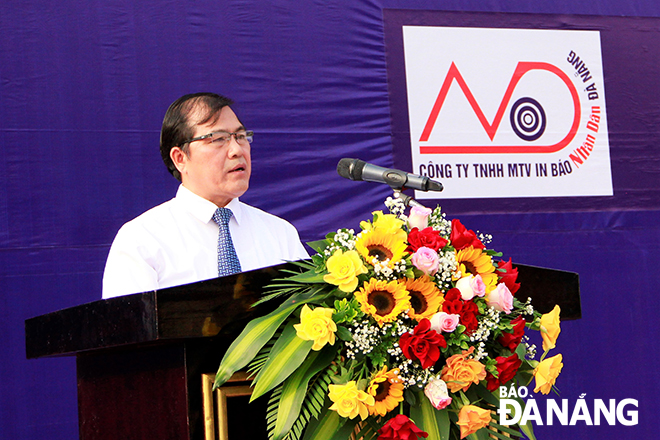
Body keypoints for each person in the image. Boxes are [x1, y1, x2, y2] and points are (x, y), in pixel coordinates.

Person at [102, 93, 309, 298]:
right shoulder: (143, 240)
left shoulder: (280, 234)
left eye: (240, 136)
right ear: (180, 158)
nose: (236, 150)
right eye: (218, 139)